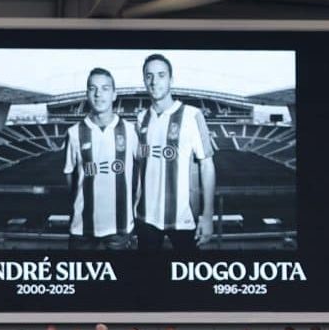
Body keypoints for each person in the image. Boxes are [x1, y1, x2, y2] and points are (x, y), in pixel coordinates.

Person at [133, 53, 217, 249]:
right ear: (144, 80)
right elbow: (140, 168)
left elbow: (207, 165)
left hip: (184, 220)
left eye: (161, 75)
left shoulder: (192, 115)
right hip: (145, 218)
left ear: (171, 79)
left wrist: (208, 216)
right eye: (149, 75)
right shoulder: (140, 118)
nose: (154, 81)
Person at [63, 66, 141, 249]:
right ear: (87, 94)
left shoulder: (131, 131)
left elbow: (141, 173)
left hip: (121, 229)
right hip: (81, 229)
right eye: (93, 88)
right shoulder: (74, 133)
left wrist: (135, 205)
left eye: (105, 88)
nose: (98, 94)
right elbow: (70, 178)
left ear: (114, 94)